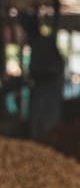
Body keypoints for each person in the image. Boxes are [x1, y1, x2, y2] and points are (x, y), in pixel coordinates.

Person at [20, 10, 64, 138]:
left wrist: (35, 76)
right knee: (38, 126)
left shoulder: (44, 44)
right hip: (40, 93)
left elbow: (55, 68)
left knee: (47, 127)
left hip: (48, 94)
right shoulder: (36, 44)